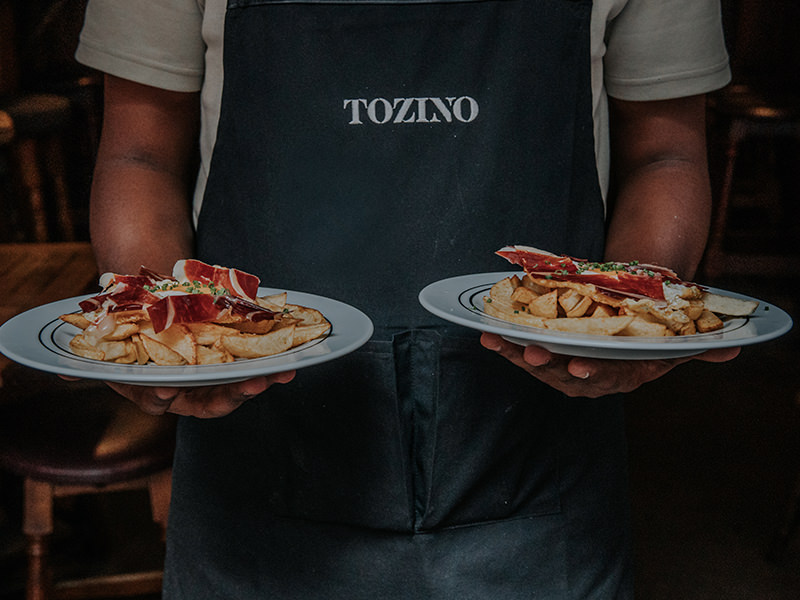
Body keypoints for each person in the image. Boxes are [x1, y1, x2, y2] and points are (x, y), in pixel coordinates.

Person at [75, 0, 739, 597]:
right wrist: (154, 336)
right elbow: (140, 155)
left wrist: (639, 314)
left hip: (542, 475)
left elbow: (666, 155)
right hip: (253, 477)